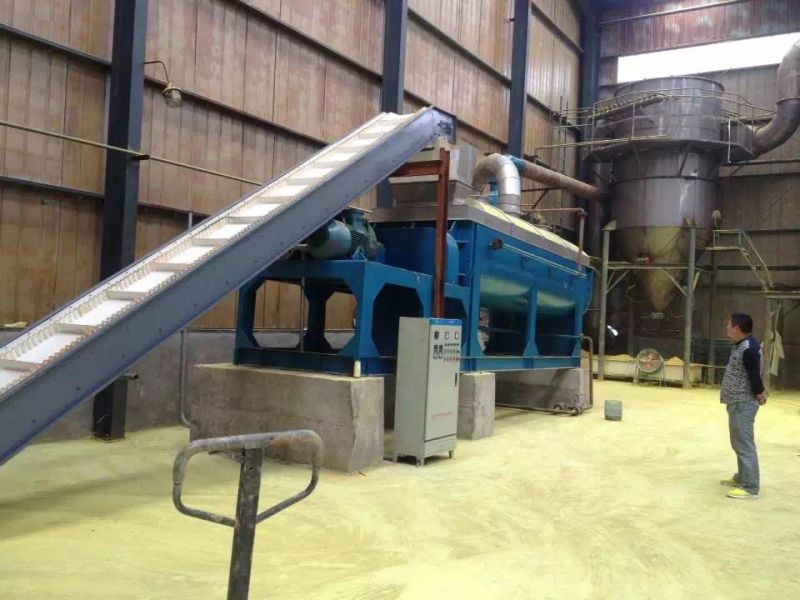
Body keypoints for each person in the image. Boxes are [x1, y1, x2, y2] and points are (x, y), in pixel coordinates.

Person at [719, 313, 767, 500]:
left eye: (728, 325)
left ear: (736, 328)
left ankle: (750, 487)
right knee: (738, 442)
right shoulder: (742, 344)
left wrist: (760, 393)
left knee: (744, 444)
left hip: (743, 402)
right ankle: (742, 477)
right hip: (736, 402)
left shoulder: (748, 348)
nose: (727, 327)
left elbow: (754, 375)